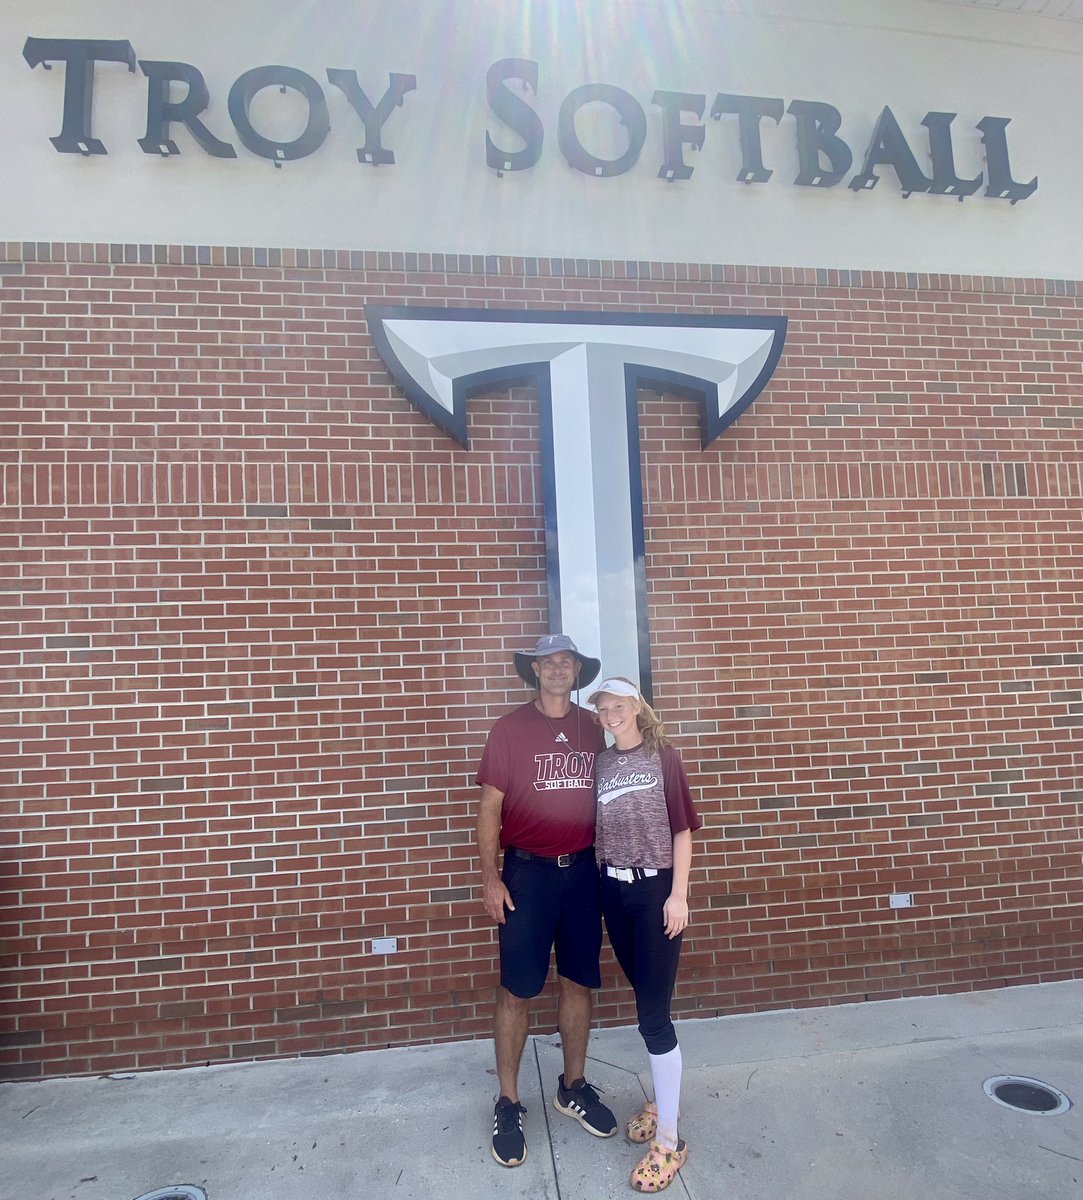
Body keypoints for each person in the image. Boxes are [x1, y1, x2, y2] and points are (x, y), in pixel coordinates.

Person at [476, 634, 619, 1168]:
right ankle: (509, 1101)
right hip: (528, 875)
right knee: (517, 989)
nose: (558, 670)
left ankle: (572, 1086)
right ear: (534, 671)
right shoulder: (509, 729)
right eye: (549, 662)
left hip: (582, 872)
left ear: (577, 671)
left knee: (579, 980)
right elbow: (490, 810)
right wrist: (492, 878)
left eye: (567, 661)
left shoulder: (593, 727)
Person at [588, 676, 702, 1194]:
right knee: (645, 999)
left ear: (636, 707)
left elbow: (681, 828)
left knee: (654, 1016)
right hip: (614, 893)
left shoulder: (665, 756)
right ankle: (662, 1100)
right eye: (603, 708)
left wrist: (678, 895)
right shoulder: (603, 763)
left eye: (618, 705)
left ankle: (672, 1141)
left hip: (655, 891)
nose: (610, 714)